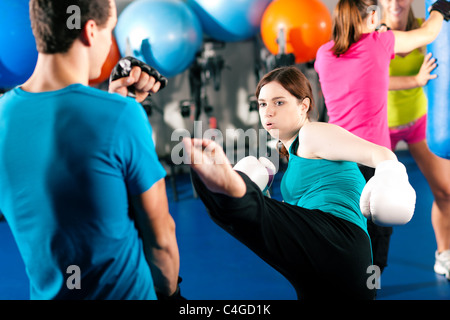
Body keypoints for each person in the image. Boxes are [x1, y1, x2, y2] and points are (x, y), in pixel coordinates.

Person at [183, 66, 416, 300]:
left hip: (338, 239)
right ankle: (237, 192)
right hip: (333, 262)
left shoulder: (312, 134)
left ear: (303, 106)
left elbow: (381, 154)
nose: (268, 112)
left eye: (279, 102)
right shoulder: (292, 155)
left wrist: (390, 174)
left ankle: (233, 189)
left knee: (241, 209)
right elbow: (289, 227)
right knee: (249, 210)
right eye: (263, 104)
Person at [0, 0, 180, 299]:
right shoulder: (122, 118)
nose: (111, 44)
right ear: (91, 31)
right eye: (110, 31)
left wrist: (115, 103)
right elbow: (161, 239)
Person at [314, 0, 448, 275]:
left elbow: (363, 72)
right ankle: (370, 285)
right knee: (378, 229)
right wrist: (440, 7)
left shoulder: (323, 54)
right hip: (376, 159)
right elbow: (428, 34)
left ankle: (345, 283)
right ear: (373, 15)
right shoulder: (380, 43)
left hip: (338, 156)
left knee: (345, 224)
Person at [380, 0, 450, 280]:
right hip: (382, 126)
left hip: (420, 121)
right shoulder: (374, 33)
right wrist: (416, 79)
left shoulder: (426, 30)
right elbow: (374, 79)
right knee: (367, 201)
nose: (395, 3)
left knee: (446, 191)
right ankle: (364, 263)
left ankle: (443, 254)